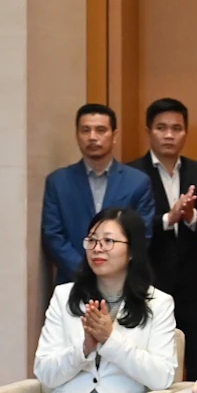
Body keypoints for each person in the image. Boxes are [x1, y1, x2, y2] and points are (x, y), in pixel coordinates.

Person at [17, 208, 176, 393]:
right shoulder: (65, 297)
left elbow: (162, 376)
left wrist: (110, 340)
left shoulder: (159, 304)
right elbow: (45, 371)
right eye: (92, 240)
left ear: (131, 251)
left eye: (108, 241)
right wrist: (84, 350)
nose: (98, 248)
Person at [128, 97, 197, 380]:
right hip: (148, 284)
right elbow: (130, 229)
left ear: (185, 133)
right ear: (148, 132)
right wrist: (168, 219)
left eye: (176, 128)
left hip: (193, 286)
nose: (169, 135)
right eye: (161, 128)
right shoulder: (132, 174)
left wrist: (192, 216)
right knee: (151, 367)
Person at [41, 104, 158, 285]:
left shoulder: (138, 182)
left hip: (123, 284)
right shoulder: (58, 181)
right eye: (85, 130)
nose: (92, 137)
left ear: (114, 136)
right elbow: (53, 235)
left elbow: (141, 234)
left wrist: (109, 269)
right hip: (72, 283)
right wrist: (84, 272)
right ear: (77, 135)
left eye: (101, 130)